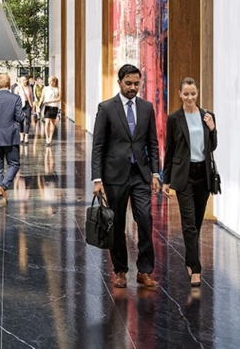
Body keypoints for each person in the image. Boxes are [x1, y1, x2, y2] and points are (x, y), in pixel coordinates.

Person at [92, 63, 162, 289]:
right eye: (128, 83)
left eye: (136, 83)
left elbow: (152, 143)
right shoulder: (106, 108)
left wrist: (155, 172)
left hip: (140, 174)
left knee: (144, 220)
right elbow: (98, 146)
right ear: (119, 82)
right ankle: (120, 270)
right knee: (117, 223)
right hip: (115, 176)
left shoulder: (147, 107)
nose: (133, 87)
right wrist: (97, 179)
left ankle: (144, 271)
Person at [164, 77, 218, 287]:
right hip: (183, 175)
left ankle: (189, 258)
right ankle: (196, 269)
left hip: (203, 174)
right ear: (179, 94)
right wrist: (166, 179)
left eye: (193, 94)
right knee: (188, 223)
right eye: (186, 94)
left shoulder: (207, 116)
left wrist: (212, 129)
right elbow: (169, 150)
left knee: (196, 222)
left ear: (198, 93)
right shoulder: (174, 119)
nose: (189, 97)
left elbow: (212, 147)